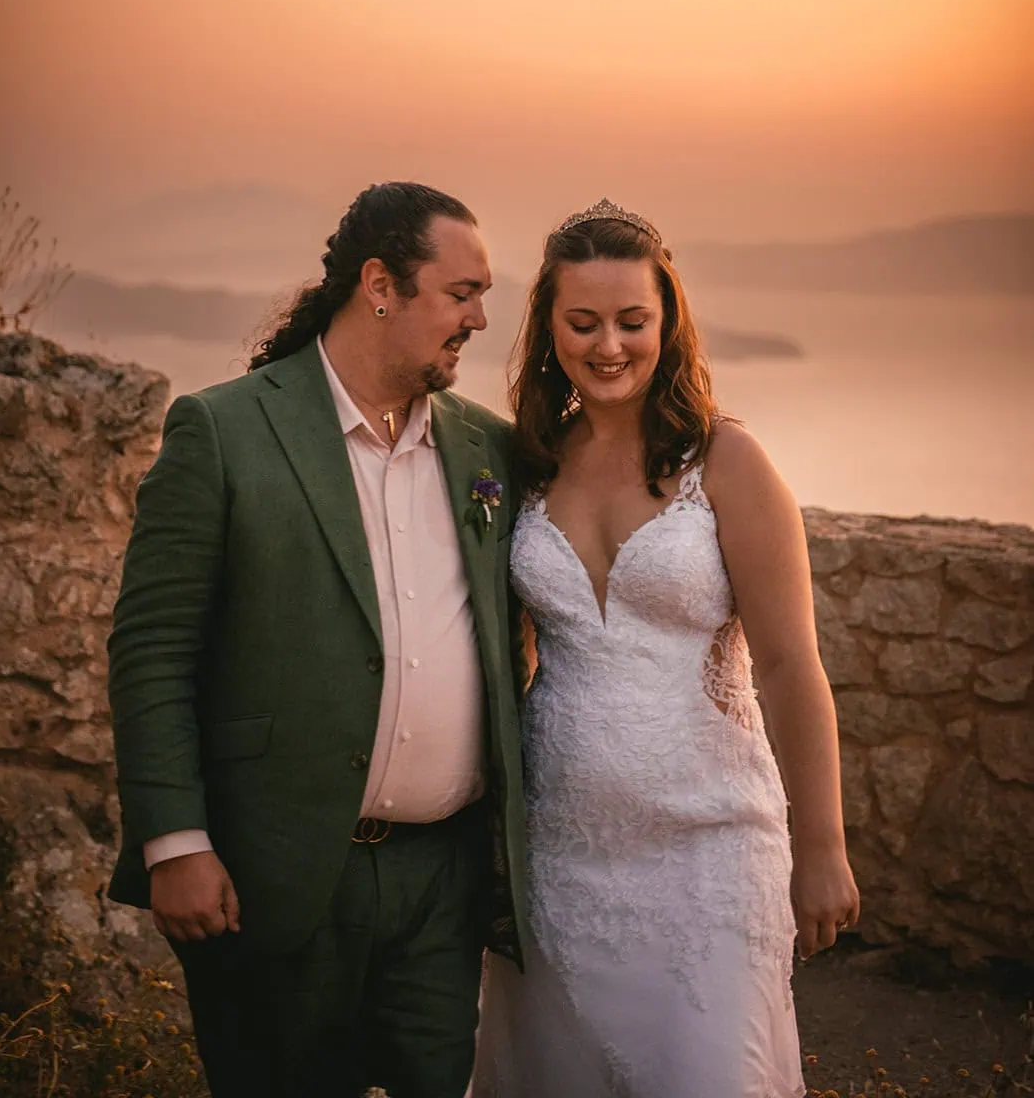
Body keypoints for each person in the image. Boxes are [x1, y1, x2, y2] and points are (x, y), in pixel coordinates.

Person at [107, 182, 527, 1098]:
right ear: (381, 284)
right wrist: (174, 842)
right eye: (462, 293)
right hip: (276, 872)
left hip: (442, 879)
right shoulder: (223, 431)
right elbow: (153, 650)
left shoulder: (490, 451)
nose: (481, 318)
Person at [473, 198, 858, 1098]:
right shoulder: (524, 463)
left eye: (632, 321)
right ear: (550, 329)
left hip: (712, 850)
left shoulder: (726, 462)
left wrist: (825, 848)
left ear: (667, 324)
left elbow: (794, 667)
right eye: (583, 322)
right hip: (561, 856)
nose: (609, 344)